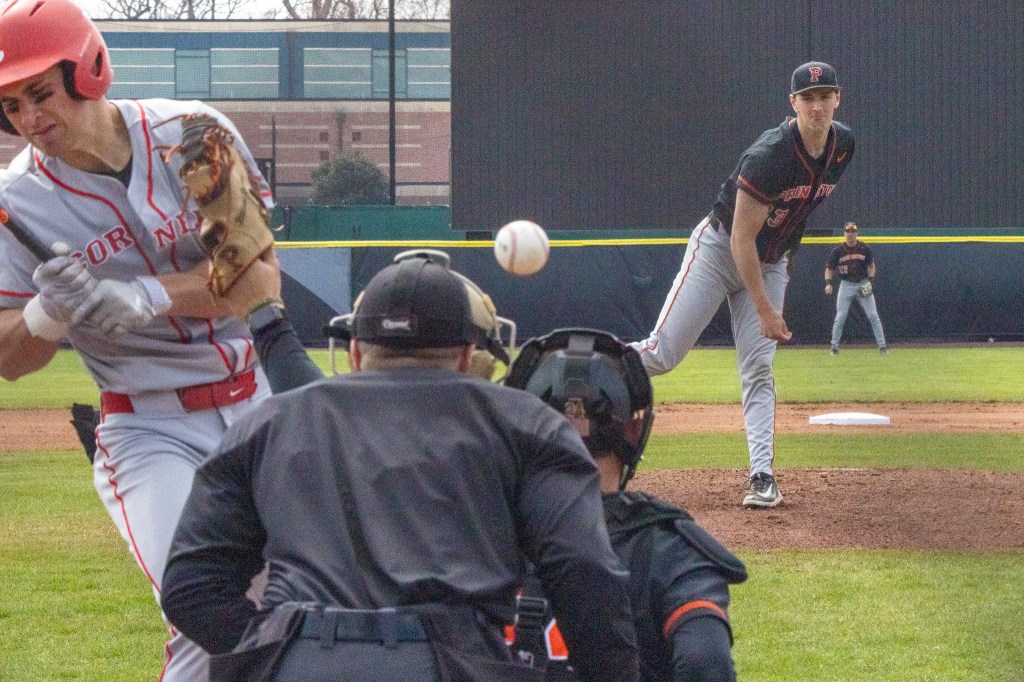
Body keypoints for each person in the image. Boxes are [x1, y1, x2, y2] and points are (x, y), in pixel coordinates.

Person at [160, 254, 640, 681]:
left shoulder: (268, 422)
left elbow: (191, 587)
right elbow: (583, 571)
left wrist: (274, 652)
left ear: (354, 352)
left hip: (300, 656)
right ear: (466, 355)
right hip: (451, 659)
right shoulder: (526, 423)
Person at [0, 1, 272, 678]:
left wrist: (146, 296)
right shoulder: (18, 200)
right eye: (11, 106)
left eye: (41, 93)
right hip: (151, 427)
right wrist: (46, 315)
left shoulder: (194, 132)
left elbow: (258, 272)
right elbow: (8, 361)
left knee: (287, 605)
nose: (31, 120)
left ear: (88, 69)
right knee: (201, 610)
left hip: (261, 404)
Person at [631, 61, 855, 509]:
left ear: (837, 98)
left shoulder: (844, 146)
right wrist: (765, 308)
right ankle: (572, 367)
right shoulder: (769, 156)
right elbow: (741, 238)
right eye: (807, 98)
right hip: (720, 251)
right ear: (792, 105)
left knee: (758, 369)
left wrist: (779, 273)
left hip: (769, 261)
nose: (816, 106)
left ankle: (762, 476)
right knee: (662, 353)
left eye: (824, 96)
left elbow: (795, 216)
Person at [504, 328, 748, 681]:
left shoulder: (478, 535)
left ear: (528, 432)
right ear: (633, 432)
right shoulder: (672, 550)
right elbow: (705, 665)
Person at [824, 222, 888, 355]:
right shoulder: (838, 250)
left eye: (853, 232)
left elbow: (872, 266)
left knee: (873, 315)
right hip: (846, 284)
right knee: (840, 316)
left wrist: (870, 281)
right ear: (844, 233)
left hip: (862, 282)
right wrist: (828, 283)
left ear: (857, 233)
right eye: (848, 232)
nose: (851, 235)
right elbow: (829, 268)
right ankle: (834, 348)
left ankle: (882, 347)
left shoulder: (864, 248)